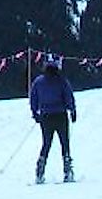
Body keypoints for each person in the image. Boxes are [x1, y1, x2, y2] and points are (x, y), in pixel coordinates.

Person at [29, 53, 77, 183]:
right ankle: (67, 170)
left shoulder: (38, 82)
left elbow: (33, 98)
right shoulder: (61, 81)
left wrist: (35, 113)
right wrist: (72, 110)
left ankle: (40, 169)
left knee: (46, 143)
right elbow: (68, 96)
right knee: (64, 143)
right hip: (60, 115)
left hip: (45, 116)